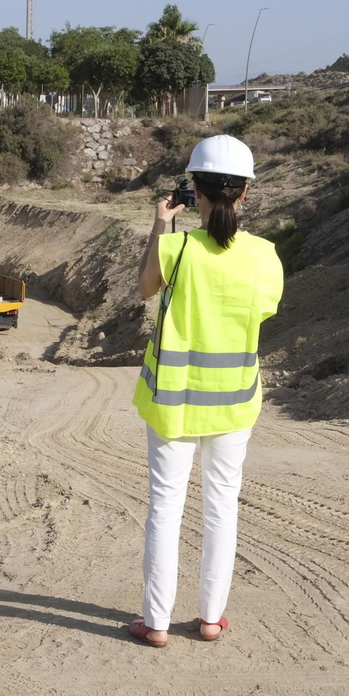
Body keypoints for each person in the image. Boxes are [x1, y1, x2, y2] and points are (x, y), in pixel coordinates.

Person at [127, 134, 284, 648]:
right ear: (244, 193)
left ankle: (156, 624)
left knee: (165, 509)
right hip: (235, 403)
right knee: (222, 508)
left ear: (193, 191)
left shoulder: (176, 249)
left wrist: (160, 223)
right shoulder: (265, 257)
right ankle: (211, 618)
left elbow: (146, 289)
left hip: (173, 402)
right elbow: (261, 313)